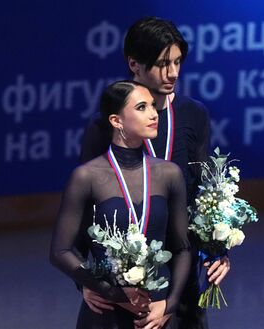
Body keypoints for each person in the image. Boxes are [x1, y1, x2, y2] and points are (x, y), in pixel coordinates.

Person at [80, 16, 230, 329]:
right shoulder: (103, 127)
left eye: (177, 62)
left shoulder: (194, 115)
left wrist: (218, 251)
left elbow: (205, 192)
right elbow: (85, 210)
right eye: (163, 63)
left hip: (180, 274)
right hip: (122, 281)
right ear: (134, 64)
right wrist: (83, 280)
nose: (173, 73)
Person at [50, 80, 191, 329]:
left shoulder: (169, 174)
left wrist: (169, 306)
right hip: (106, 311)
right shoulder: (87, 176)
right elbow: (60, 252)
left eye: (152, 106)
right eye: (141, 107)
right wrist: (106, 291)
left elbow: (182, 249)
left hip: (156, 316)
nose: (152, 113)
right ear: (116, 121)